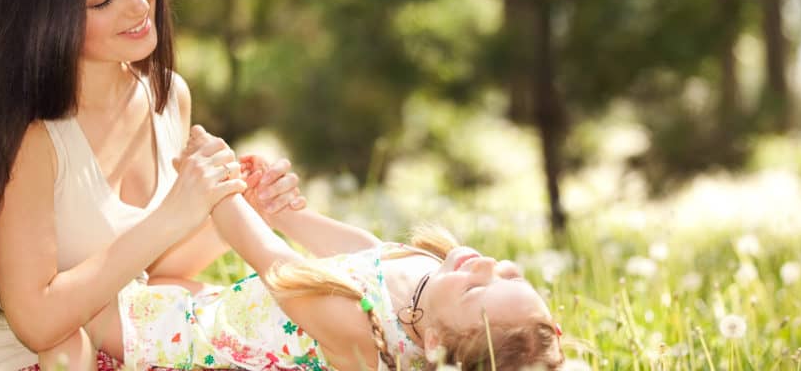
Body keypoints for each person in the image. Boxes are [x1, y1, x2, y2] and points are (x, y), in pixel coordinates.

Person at [0, 0, 304, 369]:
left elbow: (148, 271)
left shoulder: (166, 97)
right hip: (45, 361)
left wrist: (239, 208)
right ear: (41, 18)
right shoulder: (30, 140)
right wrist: (175, 213)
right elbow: (39, 323)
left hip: (126, 341)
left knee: (291, 326)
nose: (138, 3)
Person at [90, 127, 566, 371]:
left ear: (436, 347)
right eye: (508, 273)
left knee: (84, 305)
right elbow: (364, 253)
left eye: (474, 291)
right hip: (220, 309)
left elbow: (274, 262)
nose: (482, 264)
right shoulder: (431, 275)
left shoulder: (363, 339)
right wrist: (279, 210)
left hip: (187, 346)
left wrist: (219, 186)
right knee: (155, 276)